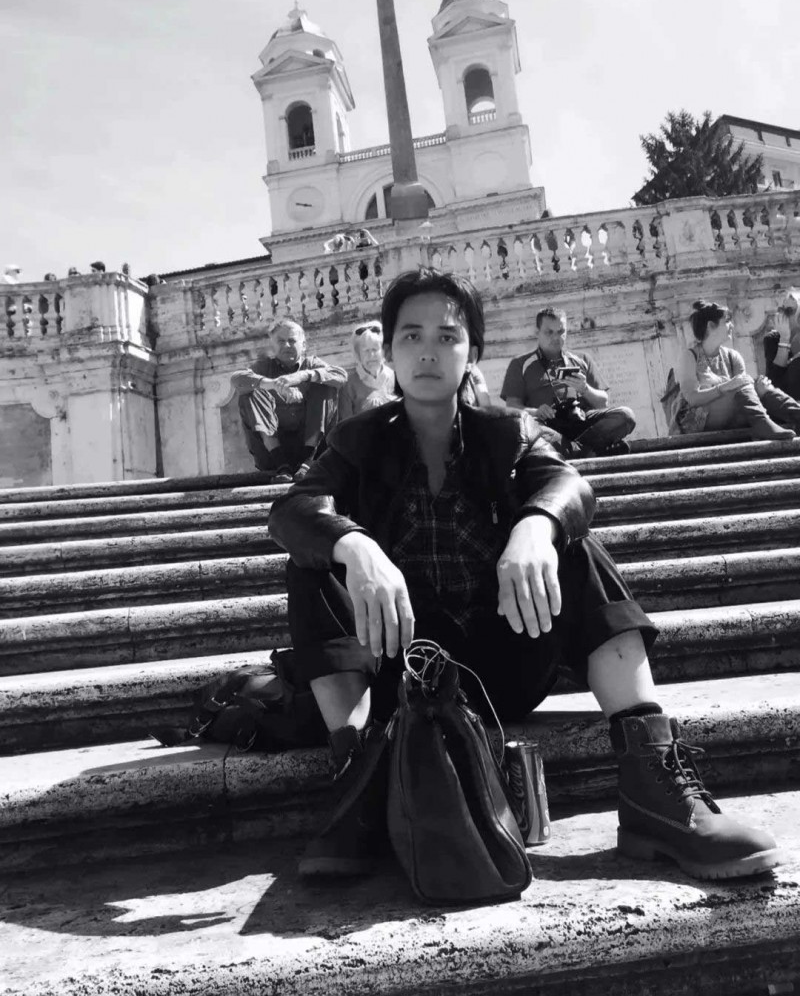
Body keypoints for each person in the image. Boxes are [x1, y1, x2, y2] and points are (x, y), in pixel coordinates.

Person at [268, 268, 781, 883]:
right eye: (410, 336)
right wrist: (355, 545)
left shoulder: (508, 429)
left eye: (447, 336)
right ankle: (357, 781)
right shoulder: (357, 439)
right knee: (312, 560)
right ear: (391, 352)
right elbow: (293, 509)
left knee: (574, 546)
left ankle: (654, 787)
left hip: (505, 660)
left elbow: (569, 483)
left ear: (472, 353)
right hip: (403, 671)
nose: (428, 351)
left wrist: (537, 526)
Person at [500, 307, 635, 457]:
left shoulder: (582, 359)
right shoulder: (520, 364)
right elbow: (512, 408)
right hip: (548, 425)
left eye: (561, 331)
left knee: (626, 416)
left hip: (582, 422)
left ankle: (577, 450)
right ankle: (592, 449)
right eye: (549, 332)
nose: (556, 337)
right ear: (537, 332)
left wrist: (585, 389)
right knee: (532, 432)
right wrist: (537, 412)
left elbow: (603, 403)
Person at [232, 319, 347, 483]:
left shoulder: (311, 364)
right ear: (273, 346)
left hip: (314, 453)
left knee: (325, 384)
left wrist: (302, 376)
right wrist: (274, 384)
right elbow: (237, 379)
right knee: (250, 391)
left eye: (292, 340)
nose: (286, 345)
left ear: (304, 345)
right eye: (281, 341)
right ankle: (281, 465)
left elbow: (341, 375)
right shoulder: (264, 367)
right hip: (272, 455)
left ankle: (307, 461)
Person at [674, 300, 800, 441]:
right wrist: (726, 386)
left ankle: (795, 414)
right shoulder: (690, 356)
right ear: (710, 325)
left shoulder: (732, 356)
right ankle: (762, 424)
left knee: (762, 387)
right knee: (740, 385)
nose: (732, 325)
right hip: (697, 421)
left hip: (732, 417)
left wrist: (759, 387)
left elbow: (745, 392)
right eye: (727, 321)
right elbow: (692, 398)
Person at [337, 321, 397, 421]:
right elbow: (345, 425)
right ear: (358, 354)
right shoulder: (348, 385)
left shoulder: (396, 378)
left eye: (375, 349)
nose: (371, 355)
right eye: (366, 351)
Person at [763, 289, 800, 400]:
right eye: (781, 310)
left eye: (789, 311)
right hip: (785, 400)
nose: (784, 315)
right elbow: (773, 381)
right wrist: (784, 339)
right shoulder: (772, 339)